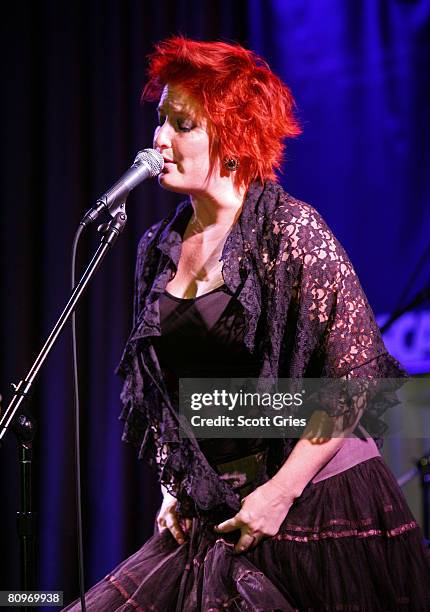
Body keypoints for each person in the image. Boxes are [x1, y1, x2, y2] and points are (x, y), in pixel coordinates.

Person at [64, 37, 430, 611]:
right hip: (221, 497)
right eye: (160, 120)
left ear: (232, 139)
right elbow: (164, 393)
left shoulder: (289, 232)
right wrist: (173, 485)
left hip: (312, 492)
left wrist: (280, 494)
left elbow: (355, 375)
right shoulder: (157, 248)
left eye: (181, 124)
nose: (159, 139)